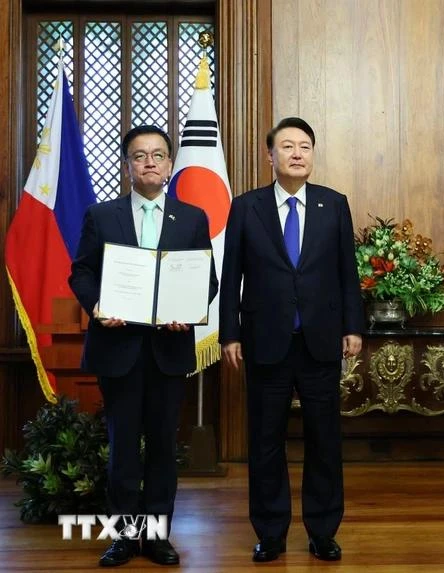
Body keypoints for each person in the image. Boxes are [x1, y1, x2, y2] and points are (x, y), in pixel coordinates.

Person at [69, 125, 218, 567]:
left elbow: (205, 279)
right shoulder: (103, 215)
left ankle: (157, 538)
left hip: (168, 350)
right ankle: (123, 537)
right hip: (119, 348)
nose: (150, 162)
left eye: (157, 154)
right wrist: (97, 305)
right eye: (140, 156)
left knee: (161, 448)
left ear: (171, 164)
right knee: (122, 447)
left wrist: (187, 310)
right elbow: (81, 272)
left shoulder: (192, 218)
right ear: (128, 165)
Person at [219, 117, 364, 563]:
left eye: (305, 146)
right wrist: (230, 334)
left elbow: (347, 273)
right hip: (265, 341)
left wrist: (353, 327)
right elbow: (232, 278)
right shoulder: (247, 207)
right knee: (265, 441)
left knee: (325, 441)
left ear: (313, 155)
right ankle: (271, 532)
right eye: (287, 146)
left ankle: (322, 531)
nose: (297, 153)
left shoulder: (333, 204)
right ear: (270, 156)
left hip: (320, 342)